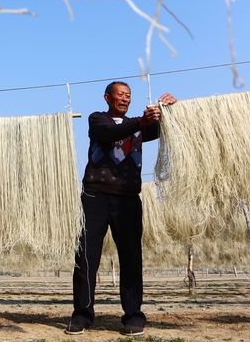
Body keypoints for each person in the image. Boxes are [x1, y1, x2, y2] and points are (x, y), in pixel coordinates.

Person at [66, 81, 176, 336]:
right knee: (86, 257)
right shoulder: (98, 120)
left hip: (127, 199)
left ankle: (133, 316)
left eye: (128, 95)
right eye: (120, 95)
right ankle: (82, 315)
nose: (125, 99)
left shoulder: (140, 126)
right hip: (94, 196)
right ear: (108, 98)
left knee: (131, 258)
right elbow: (109, 135)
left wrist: (170, 108)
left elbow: (166, 128)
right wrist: (143, 121)